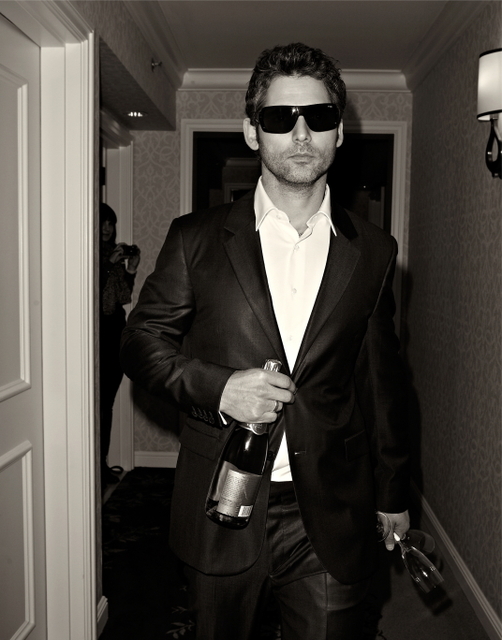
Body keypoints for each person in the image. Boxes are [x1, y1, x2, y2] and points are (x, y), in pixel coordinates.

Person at [120, 42, 410, 640]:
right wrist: (220, 388)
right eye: (280, 118)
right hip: (221, 504)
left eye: (318, 116)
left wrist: (393, 493)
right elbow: (140, 342)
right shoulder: (195, 239)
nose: (301, 134)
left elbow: (383, 384)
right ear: (253, 132)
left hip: (329, 510)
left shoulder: (375, 251)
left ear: (339, 132)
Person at [99, 203, 140, 487]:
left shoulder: (112, 256)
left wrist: (130, 270)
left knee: (107, 403)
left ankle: (100, 463)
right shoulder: (89, 254)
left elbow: (123, 297)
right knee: (97, 403)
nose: (107, 228)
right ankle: (94, 464)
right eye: (102, 222)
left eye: (110, 223)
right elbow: (89, 292)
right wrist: (106, 265)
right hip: (96, 334)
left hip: (114, 332)